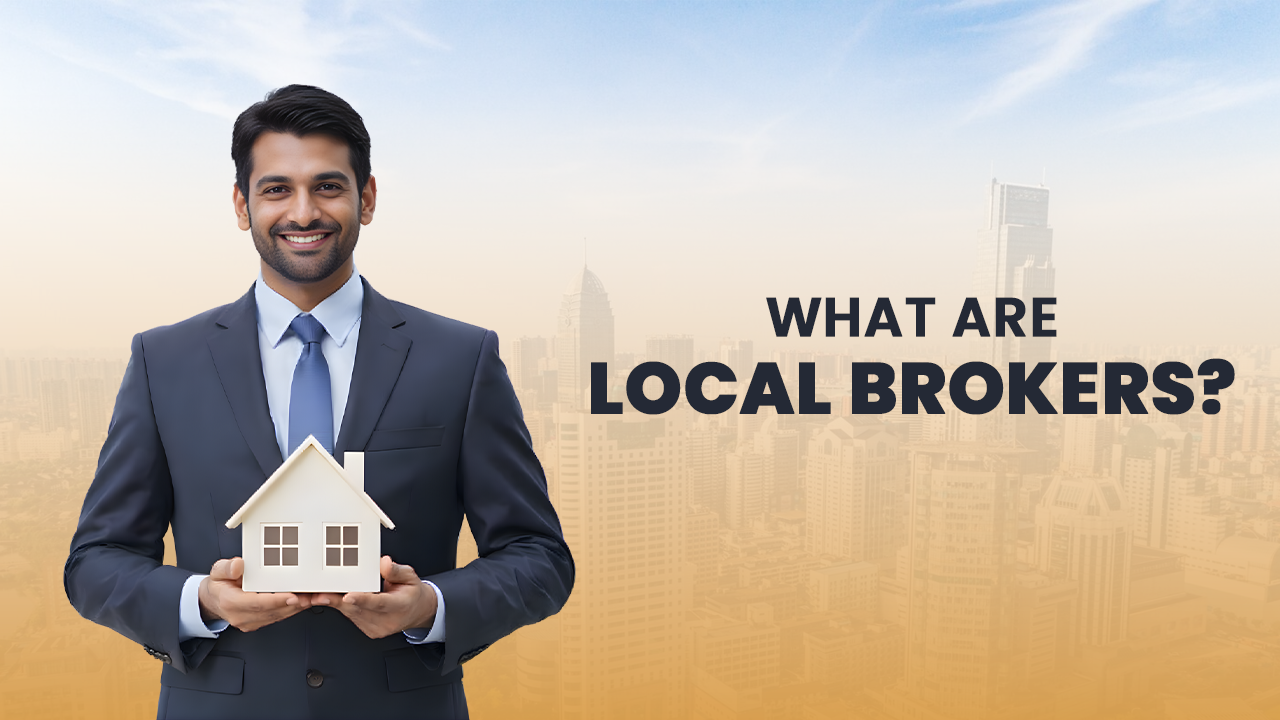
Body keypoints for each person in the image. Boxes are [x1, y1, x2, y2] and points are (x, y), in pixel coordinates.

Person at [64, 84, 574, 719]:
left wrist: (429, 607)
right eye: (276, 189)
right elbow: (95, 563)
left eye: (328, 187)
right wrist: (203, 600)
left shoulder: (460, 358)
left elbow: (540, 559)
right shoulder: (164, 361)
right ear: (241, 205)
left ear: (367, 197)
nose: (303, 212)